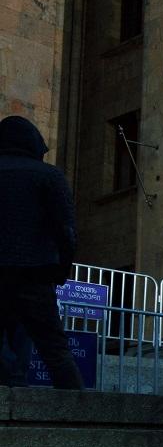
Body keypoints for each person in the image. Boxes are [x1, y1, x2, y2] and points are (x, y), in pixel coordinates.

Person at [0, 115, 84, 390]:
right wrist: (61, 271)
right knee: (55, 349)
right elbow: (67, 232)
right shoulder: (49, 176)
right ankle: (79, 415)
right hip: (34, 274)